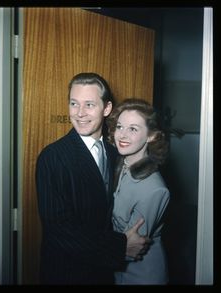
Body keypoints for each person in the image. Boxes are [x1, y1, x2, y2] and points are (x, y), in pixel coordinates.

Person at [35, 73, 150, 285]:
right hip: (67, 274)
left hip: (105, 274)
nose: (80, 113)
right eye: (74, 103)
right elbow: (59, 230)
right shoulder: (52, 157)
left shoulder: (115, 151)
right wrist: (120, 246)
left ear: (106, 109)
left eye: (89, 104)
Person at [107, 98, 170, 285]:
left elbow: (132, 246)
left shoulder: (155, 189)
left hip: (142, 275)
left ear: (151, 136)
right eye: (119, 127)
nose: (122, 135)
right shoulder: (118, 166)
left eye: (133, 129)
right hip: (115, 270)